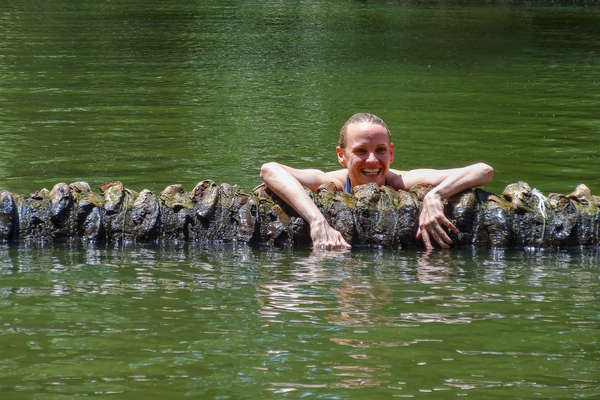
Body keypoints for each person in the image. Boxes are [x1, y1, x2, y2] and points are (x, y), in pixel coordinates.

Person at [260, 113, 494, 250]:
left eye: (380, 150)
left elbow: (483, 170)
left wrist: (435, 195)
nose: (372, 161)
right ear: (341, 155)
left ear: (391, 153)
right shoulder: (331, 183)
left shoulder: (400, 180)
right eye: (361, 151)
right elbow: (270, 170)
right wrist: (316, 221)